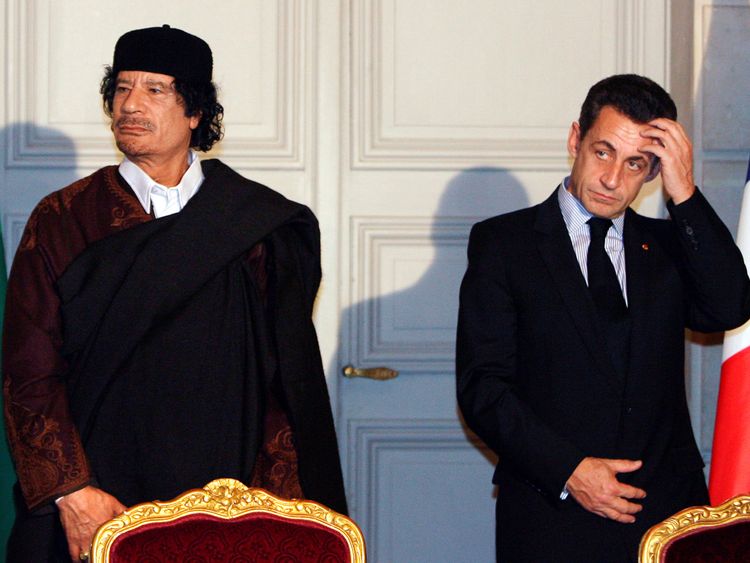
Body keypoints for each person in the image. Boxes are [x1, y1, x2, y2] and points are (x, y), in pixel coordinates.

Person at [3, 25, 346, 562]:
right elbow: (28, 372)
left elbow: (286, 383)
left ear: (195, 113)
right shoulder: (63, 219)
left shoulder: (260, 225)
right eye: (121, 88)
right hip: (100, 501)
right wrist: (71, 493)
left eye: (154, 90)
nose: (130, 104)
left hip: (228, 505)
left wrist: (275, 507)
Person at [456, 74, 750, 562]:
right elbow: (483, 388)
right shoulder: (505, 244)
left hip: (664, 515)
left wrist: (686, 193)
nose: (613, 179)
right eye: (603, 152)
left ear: (654, 169)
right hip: (550, 510)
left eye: (636, 163)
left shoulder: (670, 245)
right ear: (576, 139)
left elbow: (728, 307)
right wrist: (570, 470)